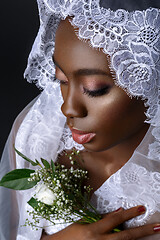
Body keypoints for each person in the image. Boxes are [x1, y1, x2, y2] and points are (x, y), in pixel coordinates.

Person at [0, 0, 160, 239]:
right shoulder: (38, 128)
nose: (67, 107)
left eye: (94, 89)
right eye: (62, 80)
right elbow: (12, 229)